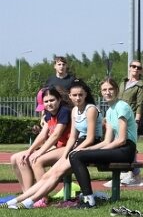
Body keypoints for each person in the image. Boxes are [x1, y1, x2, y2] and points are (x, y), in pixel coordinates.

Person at [2, 81, 101, 209]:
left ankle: (34, 201)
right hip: (73, 146)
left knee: (50, 170)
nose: (77, 98)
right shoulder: (74, 110)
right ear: (70, 96)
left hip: (80, 147)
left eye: (80, 95)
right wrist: (31, 150)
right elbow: (69, 136)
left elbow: (86, 138)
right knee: (47, 173)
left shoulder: (78, 110)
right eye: (74, 95)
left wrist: (42, 152)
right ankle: (20, 199)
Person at [69, 78, 138, 209]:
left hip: (126, 149)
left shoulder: (122, 106)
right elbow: (107, 140)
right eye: (104, 90)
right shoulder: (110, 111)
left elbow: (122, 139)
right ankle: (91, 196)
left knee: (76, 156)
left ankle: (89, 199)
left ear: (117, 90)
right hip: (118, 148)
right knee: (76, 154)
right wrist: (88, 149)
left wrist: (98, 151)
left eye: (110, 89)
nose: (107, 92)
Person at [8, 86, 72, 193]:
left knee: (36, 159)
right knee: (16, 158)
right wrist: (30, 151)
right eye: (46, 101)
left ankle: (42, 197)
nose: (49, 103)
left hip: (67, 147)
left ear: (59, 99)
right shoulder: (48, 113)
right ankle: (27, 194)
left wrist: (39, 152)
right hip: (58, 147)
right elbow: (42, 135)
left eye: (52, 100)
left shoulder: (64, 111)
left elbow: (56, 135)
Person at [105, 59, 143, 187]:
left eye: (138, 67)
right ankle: (130, 175)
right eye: (133, 66)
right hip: (119, 116)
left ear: (141, 71)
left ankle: (133, 175)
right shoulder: (123, 83)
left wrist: (136, 120)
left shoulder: (140, 85)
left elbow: (141, 104)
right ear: (129, 68)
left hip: (131, 118)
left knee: (129, 146)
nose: (135, 69)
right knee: (121, 146)